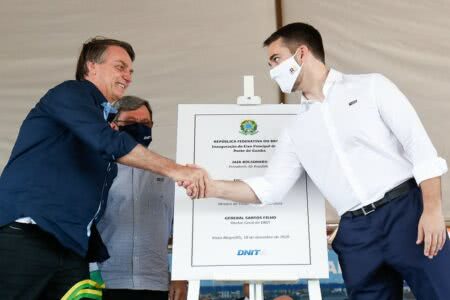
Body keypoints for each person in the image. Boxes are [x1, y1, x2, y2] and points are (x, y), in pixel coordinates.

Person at [182, 23, 449, 300]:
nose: (272, 70)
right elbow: (271, 188)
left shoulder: (372, 86)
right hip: (355, 233)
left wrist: (431, 210)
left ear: (301, 53)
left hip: (407, 213)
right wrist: (210, 187)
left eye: (275, 59)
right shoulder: (294, 129)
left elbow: (420, 148)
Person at [0, 37, 205, 299]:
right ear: (91, 66)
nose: (128, 76)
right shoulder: (70, 93)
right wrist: (177, 170)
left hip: (71, 246)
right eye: (120, 66)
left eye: (131, 70)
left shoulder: (102, 117)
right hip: (27, 235)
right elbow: (107, 142)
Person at [97, 95, 187, 300]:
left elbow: (183, 228)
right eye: (130, 123)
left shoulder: (170, 171)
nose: (139, 128)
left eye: (146, 123)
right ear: (113, 124)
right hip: (105, 281)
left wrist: (181, 277)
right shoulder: (96, 169)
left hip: (156, 283)